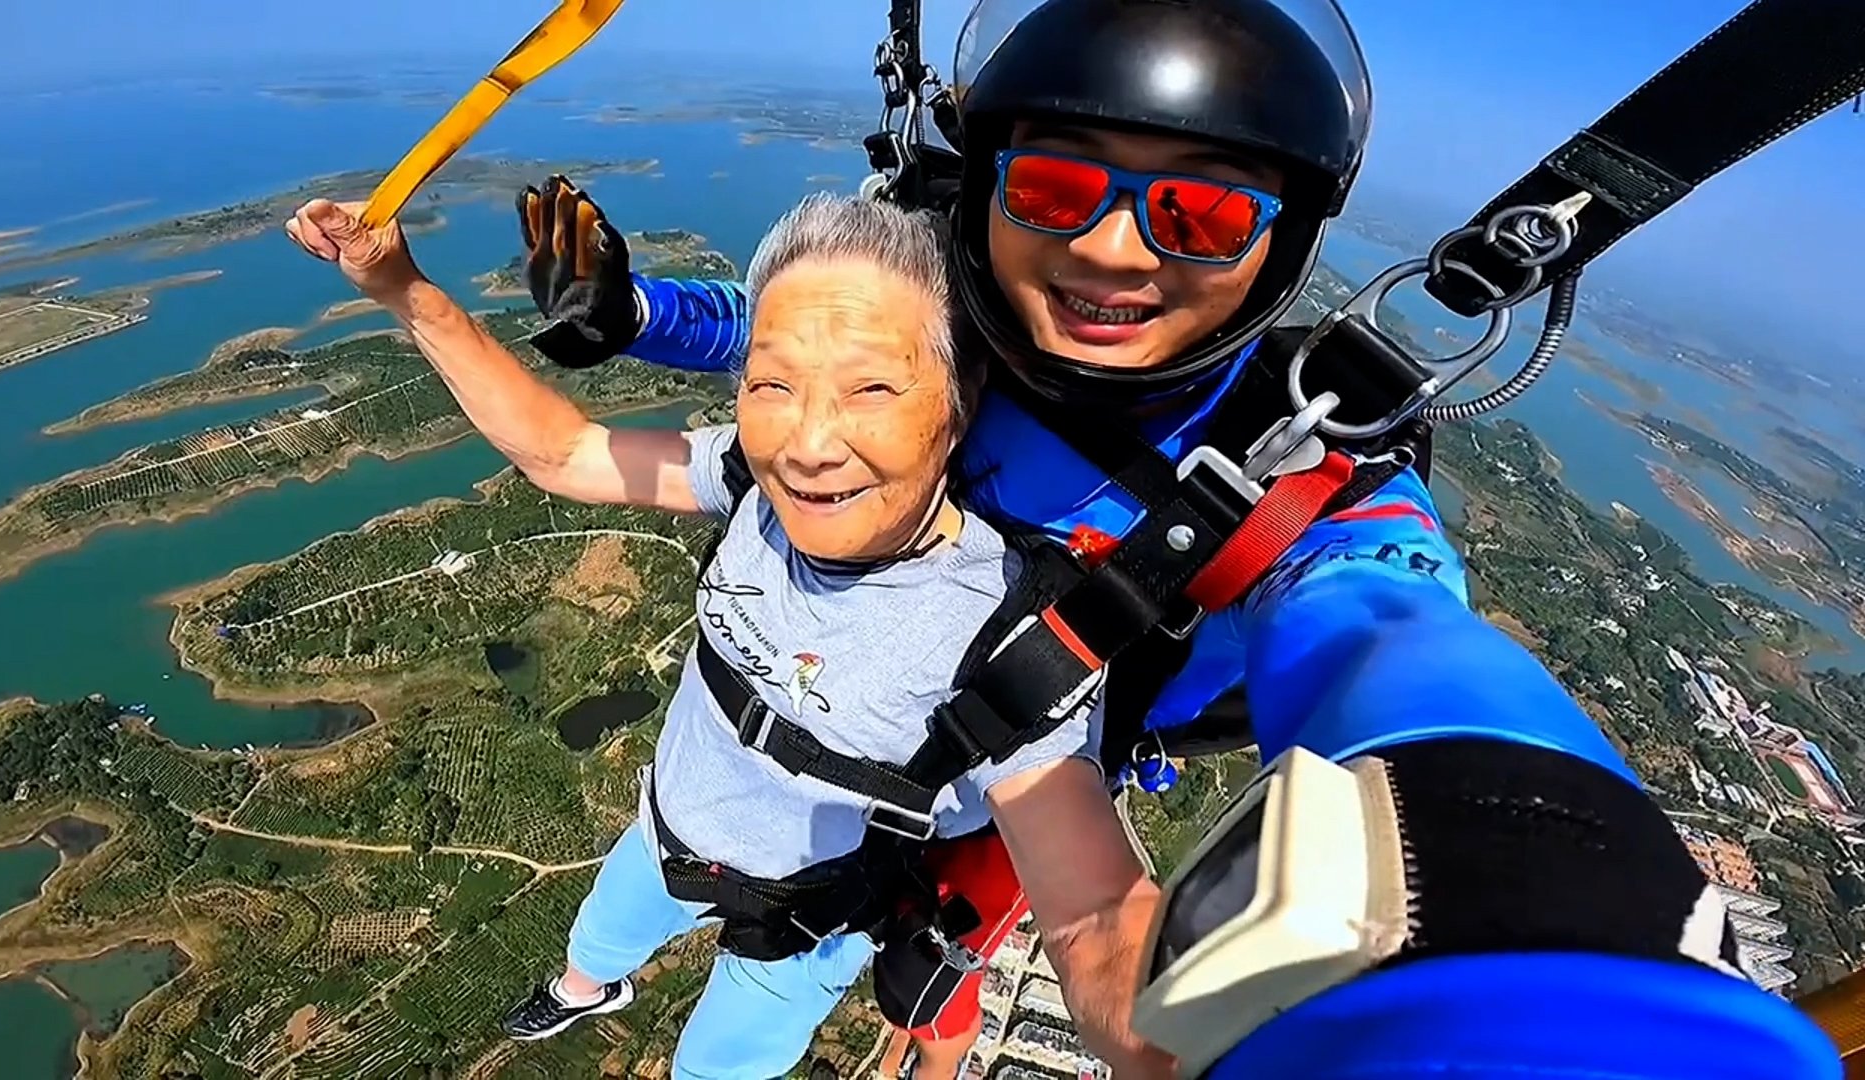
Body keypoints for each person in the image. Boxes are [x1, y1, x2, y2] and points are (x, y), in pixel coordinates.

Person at [517, 1, 1843, 1076]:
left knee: (870, 986)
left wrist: (1529, 876)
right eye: (1050, 186)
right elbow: (795, 339)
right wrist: (629, 310)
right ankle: (620, 977)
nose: (1110, 250)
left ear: (1279, 245)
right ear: (980, 197)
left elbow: (1386, 624)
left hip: (998, 796)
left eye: (1200, 213)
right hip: (830, 728)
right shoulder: (950, 319)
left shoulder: (1297, 451)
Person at [283, 190, 1176, 1079]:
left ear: (960, 399)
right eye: (772, 384)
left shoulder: (1006, 639)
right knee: (595, 941)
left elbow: (1096, 915)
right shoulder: (750, 478)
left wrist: (1187, 1047)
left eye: (870, 387)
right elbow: (561, 451)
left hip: (805, 923)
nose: (810, 444)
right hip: (665, 829)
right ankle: (586, 988)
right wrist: (401, 286)